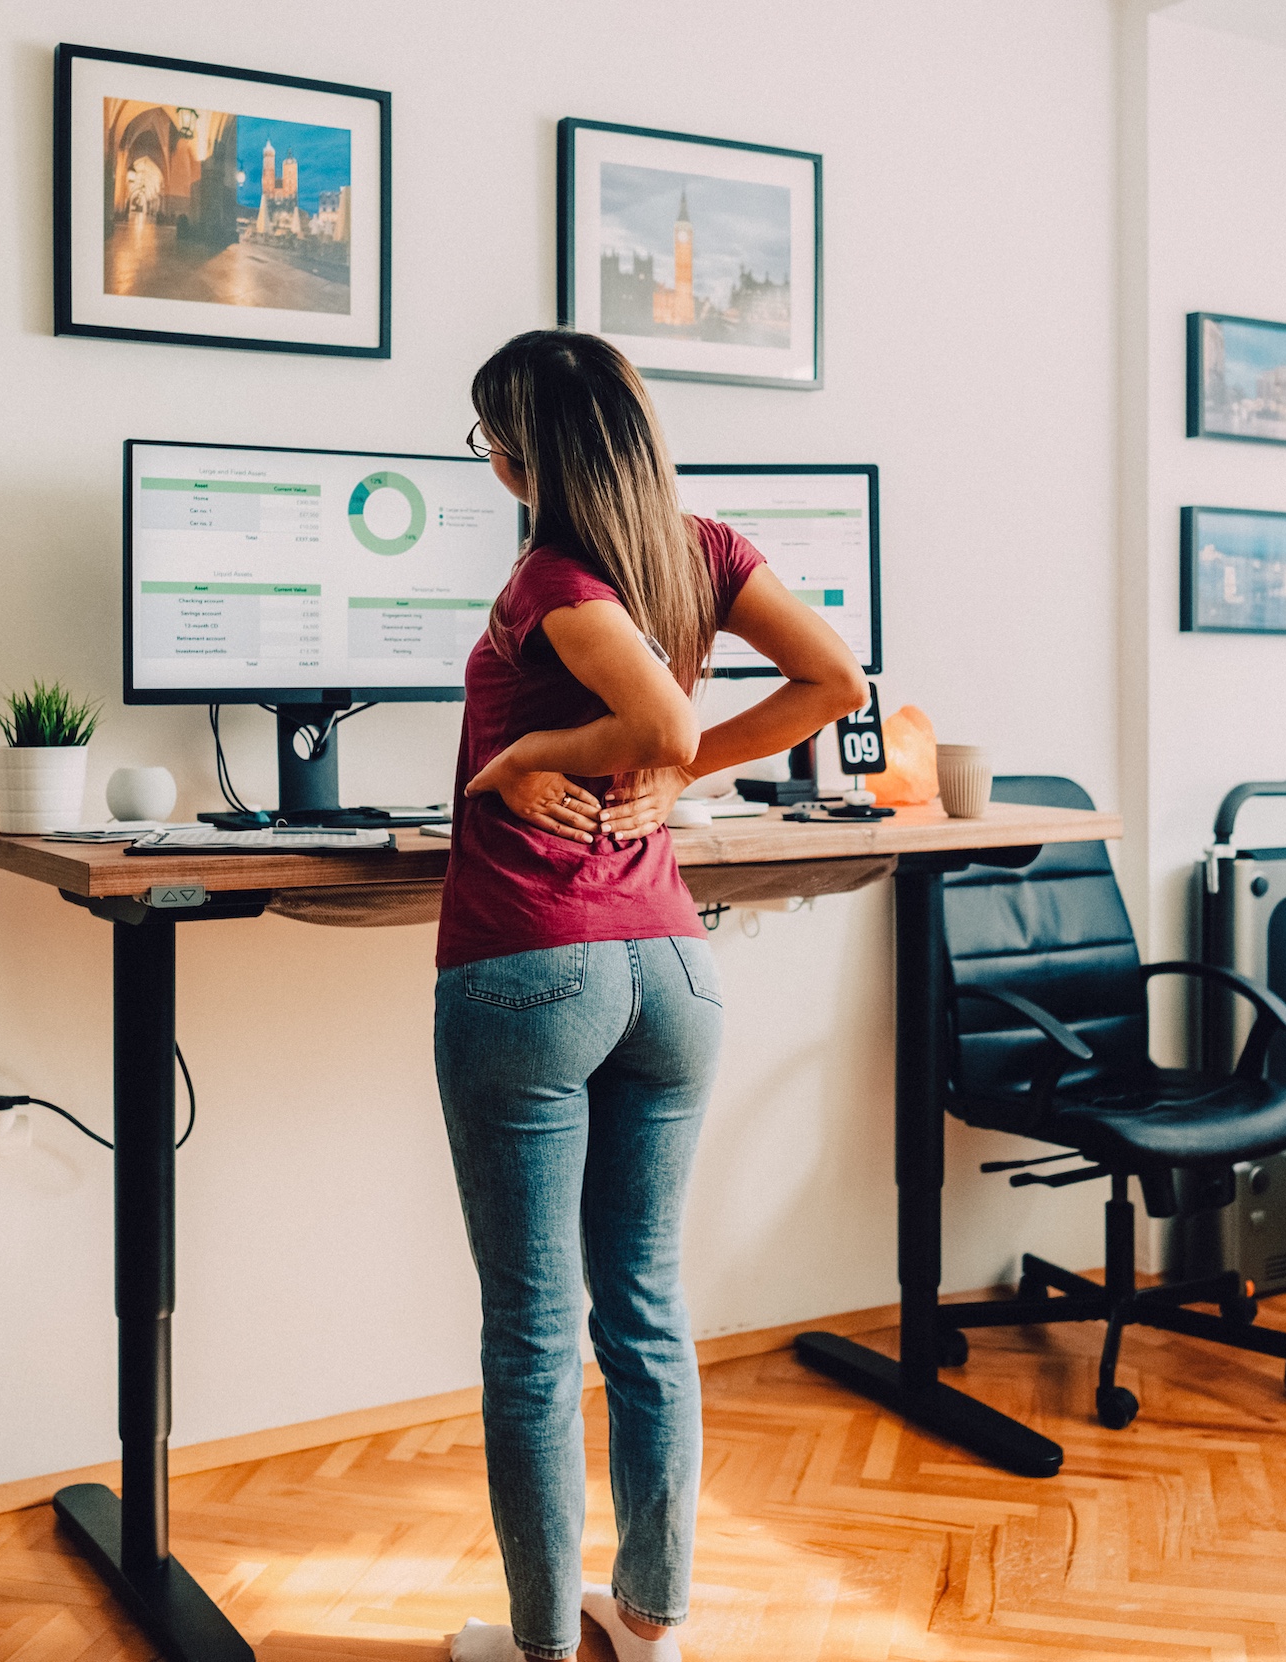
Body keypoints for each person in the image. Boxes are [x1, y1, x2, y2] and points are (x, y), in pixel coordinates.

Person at [436, 329, 867, 1662]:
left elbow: (662, 727)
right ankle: (650, 1625)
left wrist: (525, 756)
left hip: (528, 963)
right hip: (672, 966)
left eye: (485, 439)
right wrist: (685, 783)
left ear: (522, 455)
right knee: (644, 1303)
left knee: (532, 1327)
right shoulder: (703, 549)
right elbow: (834, 682)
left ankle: (541, 1647)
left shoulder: (552, 576)